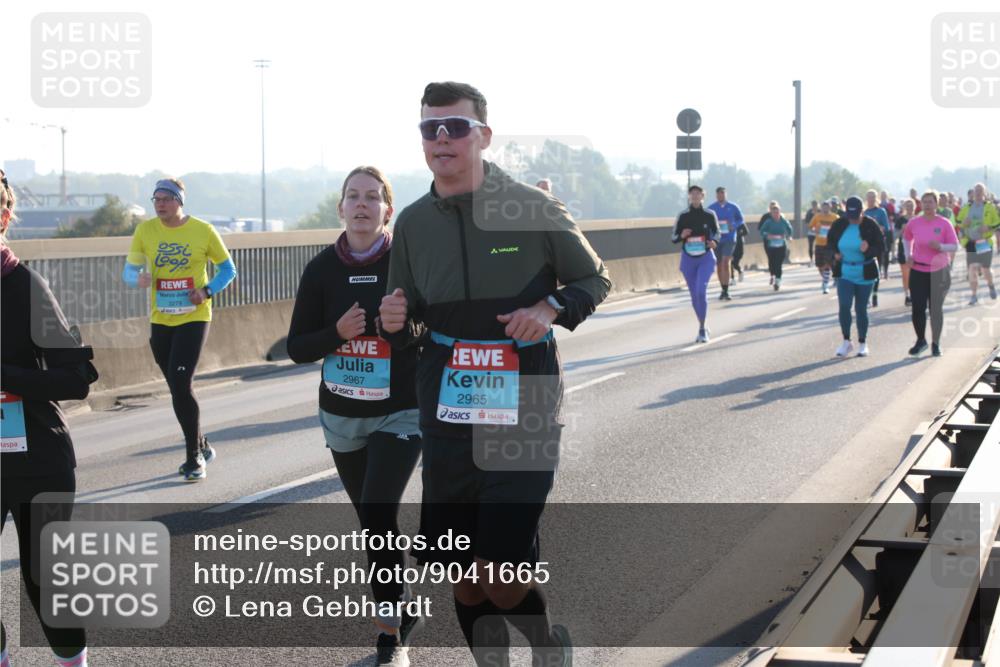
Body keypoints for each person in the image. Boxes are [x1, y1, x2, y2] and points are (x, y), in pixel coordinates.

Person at [379, 81, 610, 667]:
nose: (441, 140)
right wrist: (393, 320)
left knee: (500, 568)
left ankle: (547, 645)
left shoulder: (532, 207)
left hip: (524, 404)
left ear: (483, 135)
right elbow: (404, 322)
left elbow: (595, 279)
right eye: (429, 129)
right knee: (462, 571)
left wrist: (550, 309)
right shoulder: (410, 223)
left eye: (454, 127)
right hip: (448, 410)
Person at [287, 167, 423, 666]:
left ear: (388, 209)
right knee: (371, 521)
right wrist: (336, 334)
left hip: (401, 411)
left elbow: (432, 328)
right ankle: (400, 607)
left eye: (372, 197)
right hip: (342, 415)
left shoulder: (406, 263)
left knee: (379, 510)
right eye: (353, 197)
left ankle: (390, 634)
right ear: (340, 208)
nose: (362, 205)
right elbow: (297, 346)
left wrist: (403, 326)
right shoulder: (321, 269)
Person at [1, 170, 98, 667]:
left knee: (46, 580)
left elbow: (75, 379)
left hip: (35, 455)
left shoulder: (26, 287)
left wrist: (8, 377)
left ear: (3, 217)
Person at [122, 179, 237, 481]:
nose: (159, 204)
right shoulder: (145, 231)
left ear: (179, 201)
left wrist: (207, 291)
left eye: (166, 198)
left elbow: (228, 270)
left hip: (194, 316)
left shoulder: (202, 230)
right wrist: (138, 279)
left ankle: (194, 459)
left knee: (180, 380)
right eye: (155, 199)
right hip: (161, 319)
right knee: (176, 386)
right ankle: (201, 442)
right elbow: (128, 271)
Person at [828, 196, 885, 357]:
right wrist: (835, 254)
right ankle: (846, 341)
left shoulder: (870, 225)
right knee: (844, 306)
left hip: (865, 272)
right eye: (850, 215)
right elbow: (830, 242)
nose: (852, 219)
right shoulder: (839, 224)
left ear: (862, 211)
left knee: (861, 309)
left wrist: (868, 249)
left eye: (855, 216)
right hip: (845, 271)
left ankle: (862, 343)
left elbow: (881, 247)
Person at [904, 190, 960, 357]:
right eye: (925, 202)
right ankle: (921, 340)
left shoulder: (944, 223)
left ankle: (936, 343)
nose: (927, 205)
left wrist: (941, 247)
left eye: (931, 202)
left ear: (936, 204)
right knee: (917, 308)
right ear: (921, 204)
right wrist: (909, 255)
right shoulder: (914, 223)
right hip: (918, 270)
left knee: (935, 309)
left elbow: (955, 245)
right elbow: (907, 239)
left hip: (939, 271)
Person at [675, 185, 720, 342]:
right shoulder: (683, 216)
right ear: (689, 196)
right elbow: (674, 238)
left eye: (698, 194)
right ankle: (702, 324)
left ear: (703, 196)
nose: (695, 196)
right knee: (694, 296)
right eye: (692, 194)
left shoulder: (709, 214)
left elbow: (718, 232)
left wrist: (714, 241)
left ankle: (702, 328)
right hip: (688, 259)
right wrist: (682, 235)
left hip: (705, 258)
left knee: (701, 291)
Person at [956, 182, 1000, 305]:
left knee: (986, 270)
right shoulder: (966, 207)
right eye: (976, 191)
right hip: (971, 242)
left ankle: (990, 285)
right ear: (973, 193)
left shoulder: (990, 207)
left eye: (981, 191)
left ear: (985, 193)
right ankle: (974, 295)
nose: (978, 193)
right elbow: (958, 222)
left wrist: (989, 227)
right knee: (972, 269)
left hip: (984, 242)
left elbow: (997, 223)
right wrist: (964, 223)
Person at [707, 186, 744, 301]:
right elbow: (707, 222)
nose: (720, 196)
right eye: (718, 194)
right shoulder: (711, 208)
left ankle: (727, 290)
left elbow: (741, 219)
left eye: (722, 193)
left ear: (726, 194)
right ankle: (723, 289)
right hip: (717, 239)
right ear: (716, 195)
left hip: (729, 238)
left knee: (725, 261)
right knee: (719, 264)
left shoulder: (733, 207)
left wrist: (734, 225)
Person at [864, 189, 892, 301]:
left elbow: (887, 227)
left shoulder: (881, 211)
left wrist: (879, 228)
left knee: (876, 270)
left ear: (876, 198)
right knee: (866, 270)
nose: (871, 199)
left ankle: (874, 293)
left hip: (878, 244)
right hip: (866, 245)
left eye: (873, 197)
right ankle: (868, 293)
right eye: (869, 197)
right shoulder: (864, 212)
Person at [759, 201, 794, 290]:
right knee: (772, 263)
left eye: (777, 212)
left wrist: (789, 236)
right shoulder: (768, 222)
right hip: (771, 246)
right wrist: (767, 235)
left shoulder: (784, 221)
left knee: (778, 263)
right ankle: (773, 275)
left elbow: (790, 230)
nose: (776, 214)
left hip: (781, 245)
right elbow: (762, 231)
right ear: (771, 213)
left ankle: (778, 281)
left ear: (780, 212)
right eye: (774, 213)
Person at [809, 200, 839, 293]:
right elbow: (811, 226)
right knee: (819, 265)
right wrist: (815, 230)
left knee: (827, 264)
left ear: (830, 207)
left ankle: (825, 283)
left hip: (829, 244)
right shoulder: (817, 216)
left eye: (827, 207)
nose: (825, 208)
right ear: (821, 208)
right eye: (824, 207)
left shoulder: (835, 217)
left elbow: (839, 228)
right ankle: (825, 279)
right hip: (819, 243)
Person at [894, 198, 916, 306]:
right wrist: (902, 230)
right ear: (904, 207)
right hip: (903, 248)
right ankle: (907, 295)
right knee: (906, 274)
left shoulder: (918, 219)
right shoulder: (900, 220)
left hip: (917, 249)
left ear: (914, 207)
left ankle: (915, 294)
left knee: (915, 274)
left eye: (911, 205)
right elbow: (894, 236)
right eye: (907, 205)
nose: (909, 208)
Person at [804, 199, 819, 266]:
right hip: (811, 231)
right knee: (810, 245)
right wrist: (811, 228)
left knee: (818, 245)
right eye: (813, 205)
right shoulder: (809, 212)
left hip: (819, 231)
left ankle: (817, 259)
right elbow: (807, 222)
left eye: (815, 205)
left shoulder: (820, 211)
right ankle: (811, 259)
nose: (814, 206)